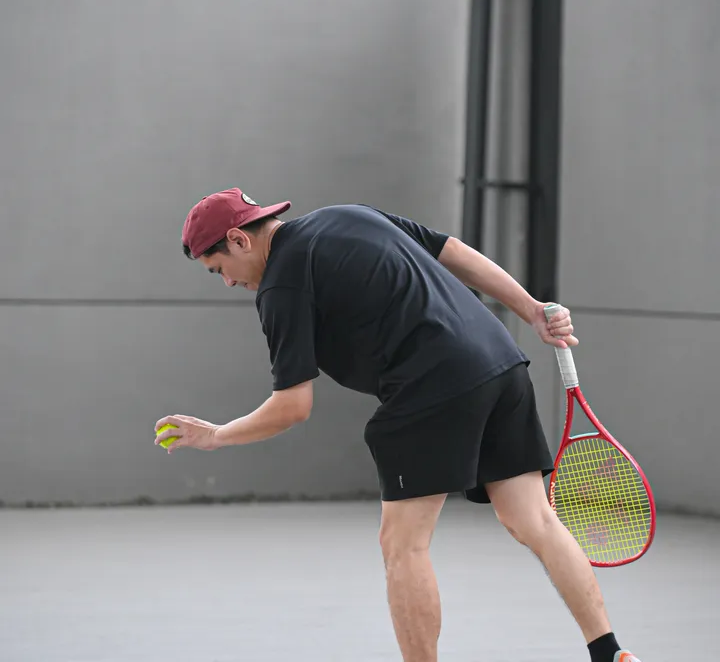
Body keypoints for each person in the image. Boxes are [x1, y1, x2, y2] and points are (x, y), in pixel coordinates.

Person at [155, 188, 642, 662]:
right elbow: (452, 250)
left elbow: (292, 406)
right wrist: (530, 309)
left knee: (403, 545)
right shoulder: (350, 214)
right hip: (499, 362)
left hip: (431, 385)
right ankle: (609, 652)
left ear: (239, 239)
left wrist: (215, 435)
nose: (227, 283)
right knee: (534, 519)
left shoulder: (281, 286)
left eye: (219, 269)